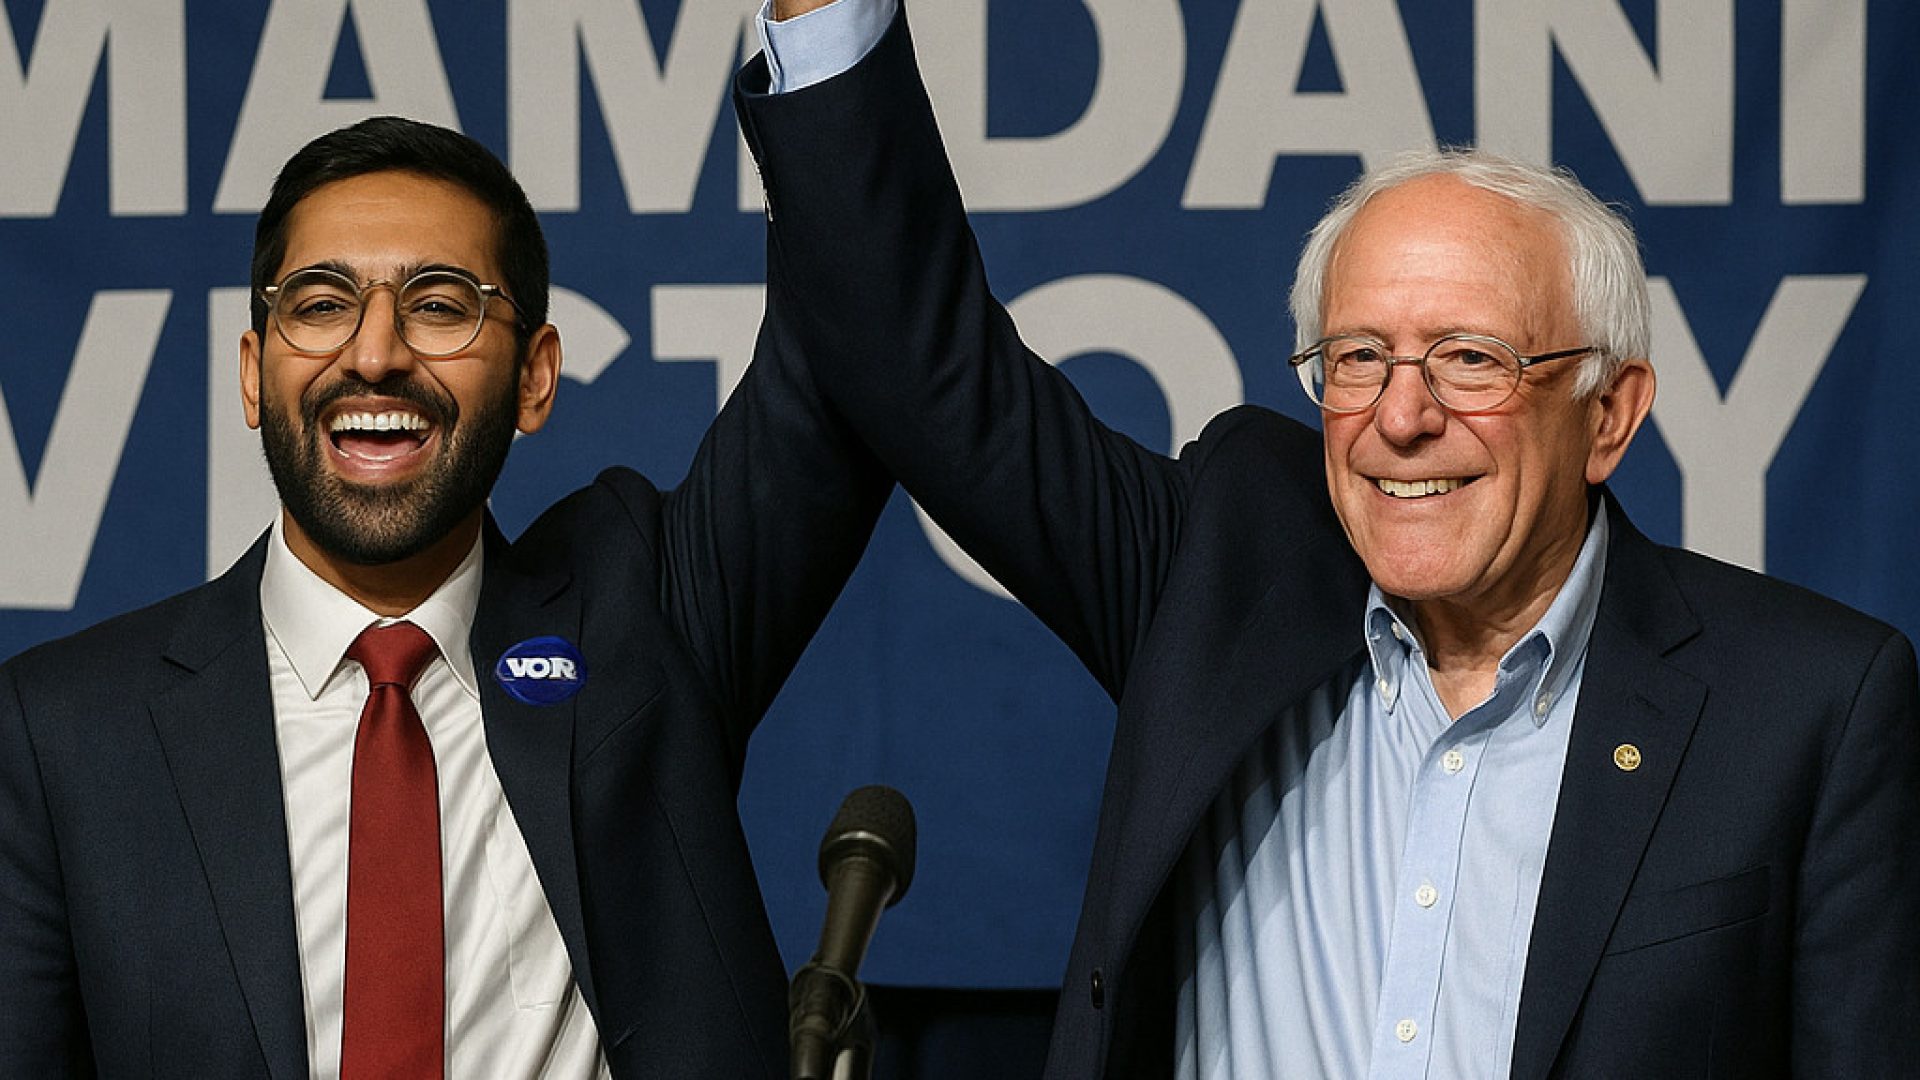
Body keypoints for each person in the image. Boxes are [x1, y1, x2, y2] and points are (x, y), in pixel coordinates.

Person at [734, 1, 1920, 1076]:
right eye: (1359, 358)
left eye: (1471, 358)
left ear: (1607, 415)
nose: (1402, 419)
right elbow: (928, 373)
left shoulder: (1806, 706)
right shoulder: (1225, 574)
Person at [0, 117, 890, 1077]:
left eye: (438, 304)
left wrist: (818, 33)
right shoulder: (64, 734)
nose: (375, 353)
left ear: (536, 377)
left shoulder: (646, 620)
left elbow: (852, 333)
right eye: (320, 301)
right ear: (255, 374)